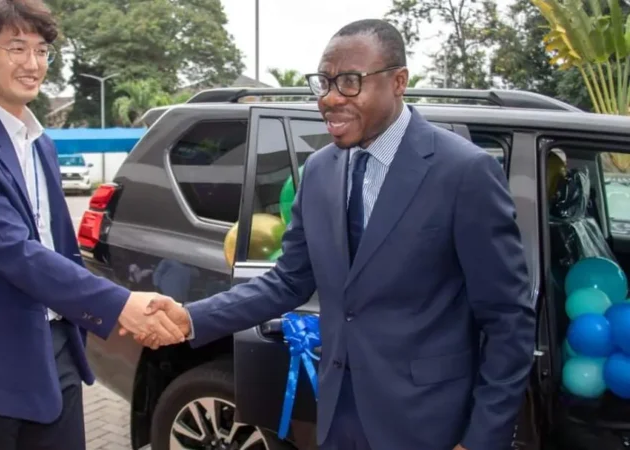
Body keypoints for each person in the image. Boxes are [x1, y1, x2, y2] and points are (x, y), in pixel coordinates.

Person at [127, 19, 536, 450]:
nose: (330, 98)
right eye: (323, 82)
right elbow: (288, 280)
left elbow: (509, 320)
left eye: (349, 82)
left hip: (430, 424)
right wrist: (192, 318)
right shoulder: (320, 170)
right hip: (338, 417)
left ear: (399, 82)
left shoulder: (464, 172)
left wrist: (480, 440)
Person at [0, 1, 182, 449]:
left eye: (41, 52)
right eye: (16, 48)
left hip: (55, 351)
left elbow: (57, 248)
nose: (32, 64)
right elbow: (15, 252)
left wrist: (102, 310)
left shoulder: (40, 144)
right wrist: (120, 305)